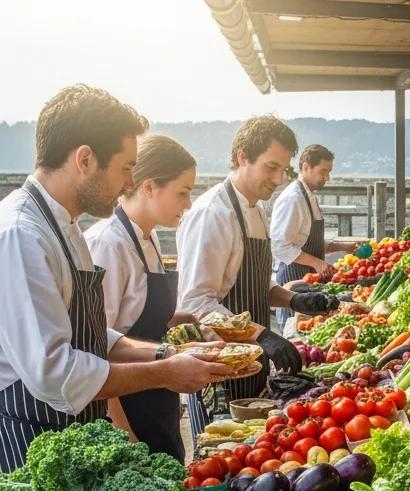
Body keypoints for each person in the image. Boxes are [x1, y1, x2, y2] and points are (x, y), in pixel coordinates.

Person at [0, 85, 240, 491]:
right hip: (30, 430)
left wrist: (161, 356)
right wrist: (163, 374)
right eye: (123, 168)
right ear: (84, 159)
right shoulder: (21, 234)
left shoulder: (63, 226)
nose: (127, 182)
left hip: (72, 428)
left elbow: (92, 335)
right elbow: (55, 370)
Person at [177, 115, 336, 437]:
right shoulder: (213, 214)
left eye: (283, 170)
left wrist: (293, 299)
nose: (278, 179)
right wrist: (261, 335)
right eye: (270, 167)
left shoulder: (256, 209)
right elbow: (196, 302)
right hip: (218, 368)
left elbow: (251, 282)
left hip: (250, 363)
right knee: (219, 461)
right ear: (242, 157)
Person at [85, 134, 209, 460]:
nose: (189, 204)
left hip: (160, 395)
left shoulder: (148, 236)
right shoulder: (108, 245)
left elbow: (137, 315)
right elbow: (97, 348)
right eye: (182, 192)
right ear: (149, 187)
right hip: (129, 408)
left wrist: (182, 319)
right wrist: (125, 435)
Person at [270, 143, 353, 285]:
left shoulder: (309, 196)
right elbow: (279, 247)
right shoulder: (293, 199)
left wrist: (343, 246)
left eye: (329, 172)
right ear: (305, 167)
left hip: (309, 279)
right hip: (293, 279)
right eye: (323, 172)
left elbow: (308, 242)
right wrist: (317, 263)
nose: (327, 177)